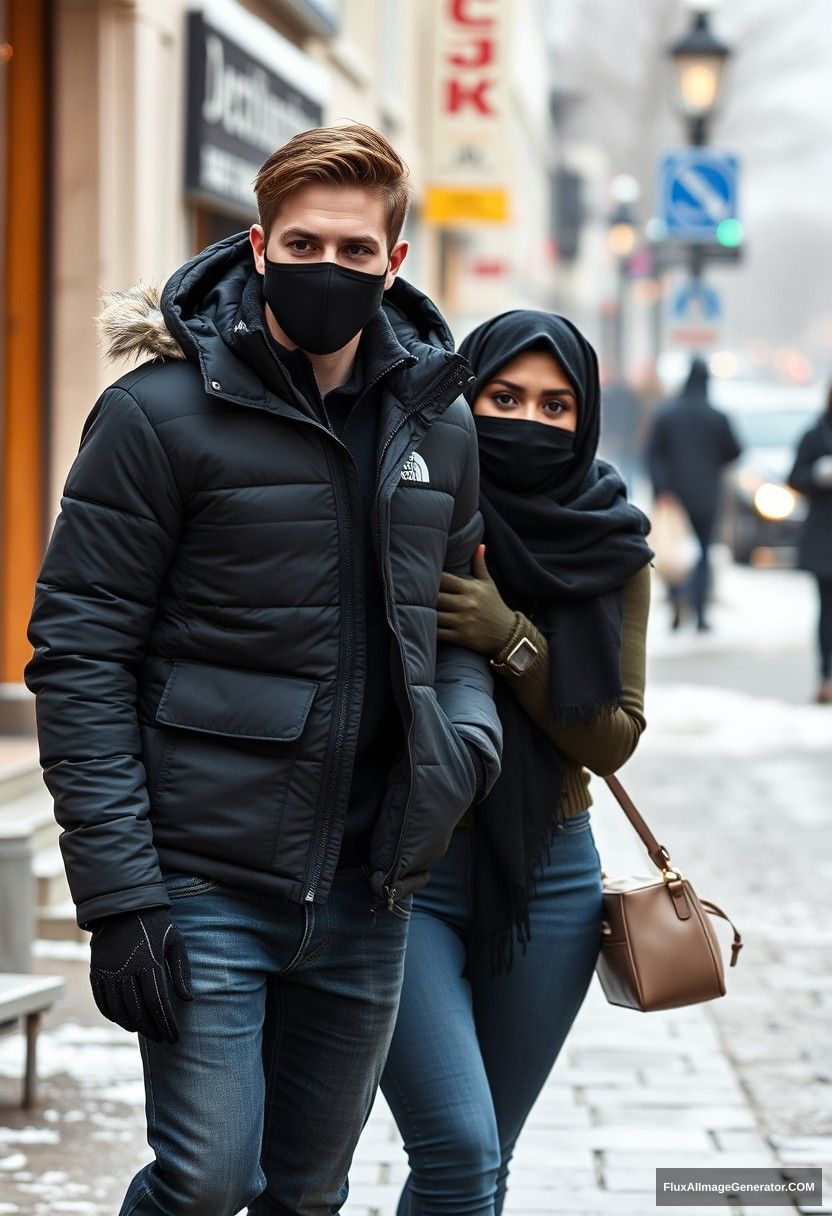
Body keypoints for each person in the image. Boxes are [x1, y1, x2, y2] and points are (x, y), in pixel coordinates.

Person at [23, 123, 502, 1216]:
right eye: (301, 243)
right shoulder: (158, 414)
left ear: (393, 263)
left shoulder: (438, 422)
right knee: (205, 1180)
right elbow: (81, 651)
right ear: (255, 244)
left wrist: (460, 747)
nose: (323, 268)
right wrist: (121, 897)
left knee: (308, 1191)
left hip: (368, 884)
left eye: (350, 249)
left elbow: (459, 626)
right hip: (204, 875)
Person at [378, 311, 653, 1216]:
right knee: (458, 1146)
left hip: (551, 874)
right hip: (404, 865)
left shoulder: (611, 540)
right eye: (503, 397)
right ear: (464, 396)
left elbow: (611, 736)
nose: (528, 420)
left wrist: (512, 641)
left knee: (482, 1166)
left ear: (586, 418)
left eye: (555, 404)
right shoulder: (409, 497)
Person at [645, 357, 742, 631]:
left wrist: (662, 488)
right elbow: (735, 450)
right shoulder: (716, 416)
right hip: (706, 496)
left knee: (673, 553)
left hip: (672, 498)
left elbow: (652, 454)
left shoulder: (666, 413)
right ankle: (699, 613)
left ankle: (678, 598)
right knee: (701, 554)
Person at [788, 386, 832, 703]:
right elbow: (795, 477)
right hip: (824, 537)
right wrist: (817, 475)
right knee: (827, 611)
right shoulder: (816, 434)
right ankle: (827, 675)